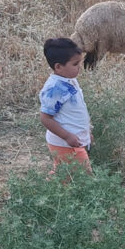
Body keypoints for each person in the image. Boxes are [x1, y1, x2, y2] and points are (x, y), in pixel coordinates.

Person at [39, 38, 92, 172]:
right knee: (84, 178)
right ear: (58, 67)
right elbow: (46, 118)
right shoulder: (54, 89)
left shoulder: (69, 80)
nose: (79, 67)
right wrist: (67, 136)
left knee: (66, 175)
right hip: (65, 144)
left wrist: (86, 131)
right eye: (75, 64)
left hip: (72, 141)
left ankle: (50, 189)